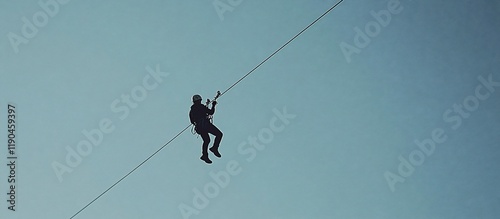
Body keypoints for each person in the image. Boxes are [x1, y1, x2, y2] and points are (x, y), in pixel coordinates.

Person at [189, 94, 223, 164]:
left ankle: (205, 155)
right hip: (205, 125)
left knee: (207, 140)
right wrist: (213, 105)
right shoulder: (200, 106)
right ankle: (214, 148)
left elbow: (192, 121)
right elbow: (211, 112)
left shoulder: (191, 111)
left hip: (199, 128)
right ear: (199, 100)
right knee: (219, 134)